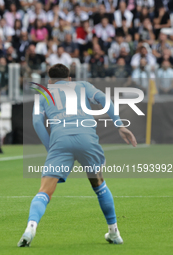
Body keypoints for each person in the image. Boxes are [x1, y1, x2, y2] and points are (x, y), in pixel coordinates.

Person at [17, 64, 137, 247]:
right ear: (70, 79)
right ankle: (114, 232)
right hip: (87, 139)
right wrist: (119, 124)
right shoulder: (83, 85)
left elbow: (36, 122)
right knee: (99, 184)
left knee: (44, 191)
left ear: (49, 81)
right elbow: (104, 99)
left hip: (60, 141)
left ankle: (30, 228)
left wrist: (52, 148)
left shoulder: (42, 93)